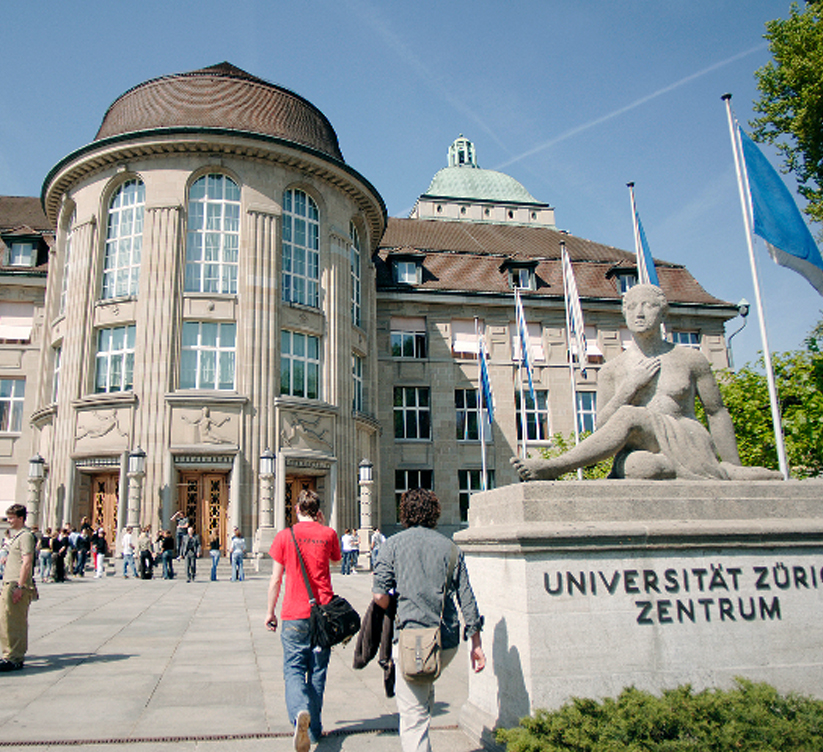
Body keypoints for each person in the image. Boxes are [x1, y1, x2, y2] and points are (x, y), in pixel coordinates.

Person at [512, 284, 784, 482]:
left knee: (629, 415)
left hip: (686, 437)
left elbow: (716, 412)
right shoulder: (611, 370)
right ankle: (685, 470)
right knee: (640, 468)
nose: (639, 313)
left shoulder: (690, 358)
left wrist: (733, 464)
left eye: (648, 306)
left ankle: (556, 466)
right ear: (624, 314)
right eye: (631, 307)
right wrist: (629, 388)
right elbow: (603, 426)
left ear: (663, 313)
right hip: (642, 446)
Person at [373, 488, 486, 752]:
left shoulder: (392, 545)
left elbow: (379, 594)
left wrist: (393, 604)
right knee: (423, 689)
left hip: (411, 640)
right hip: (445, 641)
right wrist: (476, 644)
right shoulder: (450, 548)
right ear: (434, 513)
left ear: (404, 513)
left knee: (413, 717)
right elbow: (467, 599)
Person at [265, 490, 342, 751]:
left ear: (297, 509)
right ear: (318, 512)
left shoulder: (285, 536)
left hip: (294, 615)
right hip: (322, 615)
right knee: (317, 672)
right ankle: (315, 729)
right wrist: (323, 526)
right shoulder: (328, 533)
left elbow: (276, 579)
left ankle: (299, 711)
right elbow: (335, 562)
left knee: (294, 669)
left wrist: (270, 611)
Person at [1, 504, 37, 671]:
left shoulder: (26, 536)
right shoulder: (17, 536)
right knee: (6, 621)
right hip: (9, 583)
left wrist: (20, 586)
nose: (8, 521)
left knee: (14, 622)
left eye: (11, 518)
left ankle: (14, 657)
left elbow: (27, 562)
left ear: (21, 518)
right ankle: (8, 654)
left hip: (16, 584)